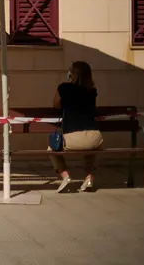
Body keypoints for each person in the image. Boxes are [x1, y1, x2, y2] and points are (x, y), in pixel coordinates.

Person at [50, 61, 103, 193]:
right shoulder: (92, 91)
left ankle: (65, 176)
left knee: (51, 148)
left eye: (70, 70)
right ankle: (89, 177)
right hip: (94, 137)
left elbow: (56, 105)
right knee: (89, 149)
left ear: (73, 74)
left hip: (73, 136)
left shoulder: (63, 88)